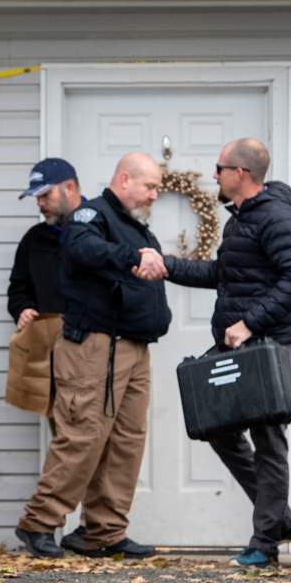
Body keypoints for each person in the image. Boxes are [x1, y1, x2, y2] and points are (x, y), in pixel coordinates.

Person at [158, 137, 291, 568]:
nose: (214, 175)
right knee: (216, 425)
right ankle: (279, 520)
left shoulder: (278, 218)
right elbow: (224, 274)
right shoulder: (240, 218)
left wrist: (250, 323)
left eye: (220, 168)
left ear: (241, 173)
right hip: (239, 342)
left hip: (270, 344)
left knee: (268, 436)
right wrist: (168, 265)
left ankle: (264, 542)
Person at [15, 152, 171, 559]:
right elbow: (83, 249)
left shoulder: (131, 224)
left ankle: (103, 531)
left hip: (134, 345)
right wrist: (133, 258)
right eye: (150, 186)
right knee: (82, 434)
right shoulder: (91, 217)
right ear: (125, 179)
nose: (154, 195)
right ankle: (39, 522)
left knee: (126, 441)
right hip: (95, 346)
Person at [4, 158, 82, 416]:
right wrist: (23, 309)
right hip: (50, 356)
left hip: (95, 353)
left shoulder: (100, 227)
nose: (39, 203)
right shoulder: (34, 239)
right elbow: (18, 288)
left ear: (69, 187)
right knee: (64, 429)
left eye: (45, 195)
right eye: (36, 197)